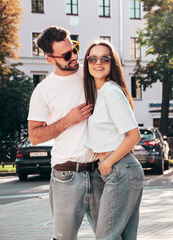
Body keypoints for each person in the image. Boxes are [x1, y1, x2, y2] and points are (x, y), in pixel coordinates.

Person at [27, 26, 104, 240]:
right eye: (67, 54)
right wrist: (68, 120)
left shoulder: (90, 74)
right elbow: (34, 136)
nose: (75, 56)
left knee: (112, 236)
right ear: (50, 59)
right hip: (66, 176)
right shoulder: (43, 91)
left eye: (75, 48)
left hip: (101, 171)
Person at [83, 40, 145, 240]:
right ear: (87, 62)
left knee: (105, 237)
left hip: (119, 169)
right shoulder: (101, 93)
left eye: (104, 58)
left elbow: (134, 135)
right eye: (93, 58)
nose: (98, 62)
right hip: (120, 170)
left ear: (112, 64)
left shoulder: (111, 91)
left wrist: (107, 163)